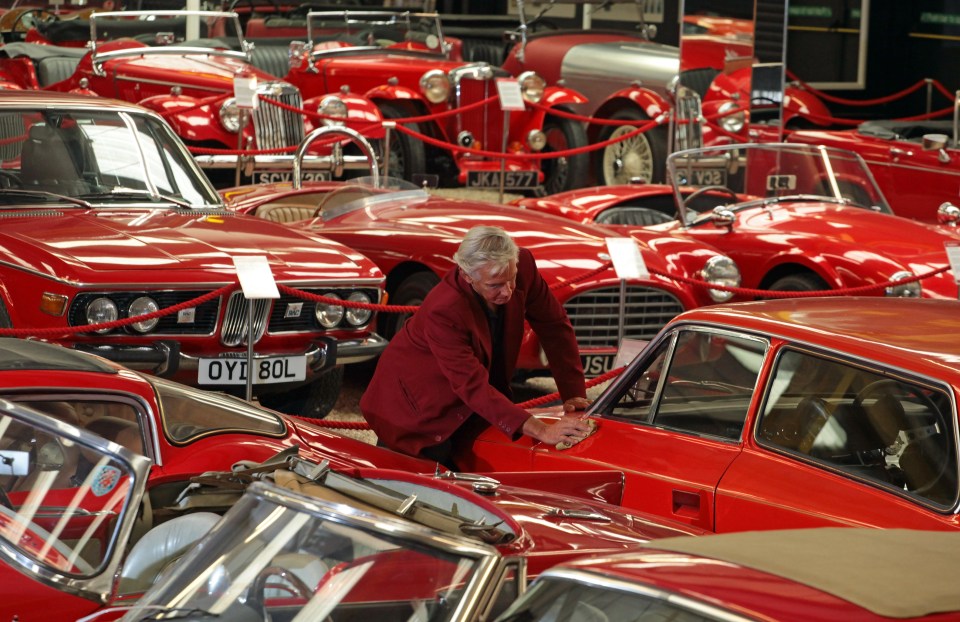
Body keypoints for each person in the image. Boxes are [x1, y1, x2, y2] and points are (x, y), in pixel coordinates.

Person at [360, 225, 593, 469]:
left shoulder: (521, 264)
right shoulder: (444, 309)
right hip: (414, 407)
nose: (508, 291)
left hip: (471, 402)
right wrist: (542, 431)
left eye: (511, 279)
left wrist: (574, 396)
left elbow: (554, 326)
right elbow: (471, 385)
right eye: (495, 285)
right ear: (467, 276)